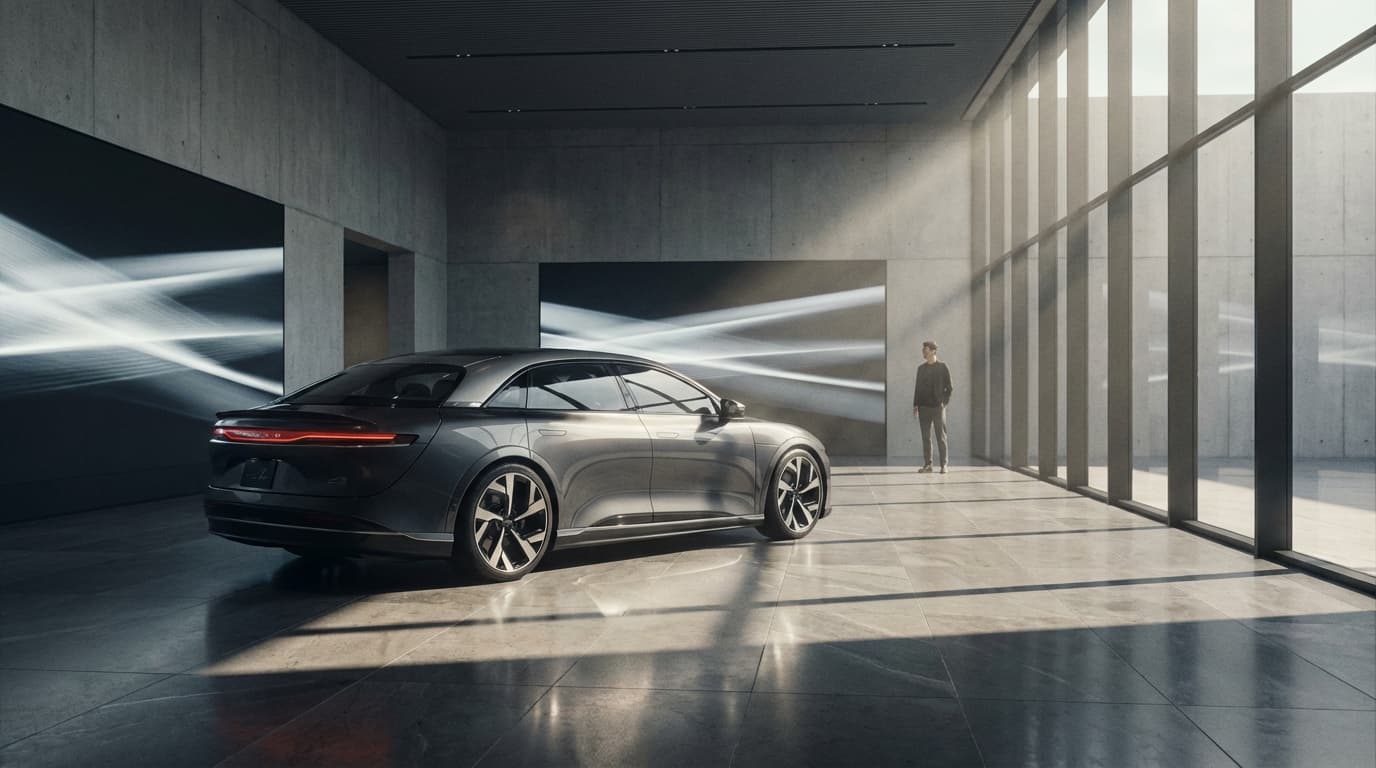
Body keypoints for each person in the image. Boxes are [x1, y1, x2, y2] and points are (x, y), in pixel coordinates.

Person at [911, 340, 953, 474]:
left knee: (941, 437)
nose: (923, 352)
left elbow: (950, 388)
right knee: (926, 437)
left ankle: (944, 465)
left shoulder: (943, 367)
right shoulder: (921, 369)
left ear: (933, 351)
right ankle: (928, 465)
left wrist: (943, 403)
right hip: (924, 408)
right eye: (923, 350)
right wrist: (915, 405)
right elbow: (917, 388)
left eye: (926, 349)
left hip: (937, 408)